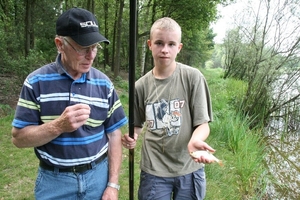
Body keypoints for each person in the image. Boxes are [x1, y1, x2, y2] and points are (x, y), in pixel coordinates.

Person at [11, 7, 127, 200]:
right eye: (82, 48)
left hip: (97, 177)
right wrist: (58, 126)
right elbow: (18, 139)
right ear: (59, 44)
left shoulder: (104, 84)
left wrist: (113, 184)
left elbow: (114, 134)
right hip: (54, 183)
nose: (91, 56)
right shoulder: (35, 83)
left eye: (95, 47)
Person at [122, 17, 215, 200]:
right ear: (150, 44)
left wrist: (195, 140)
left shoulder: (193, 77)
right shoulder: (140, 86)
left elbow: (203, 124)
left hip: (189, 167)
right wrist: (133, 136)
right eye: (159, 43)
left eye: (171, 44)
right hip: (154, 170)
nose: (165, 49)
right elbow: (138, 124)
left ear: (179, 47)